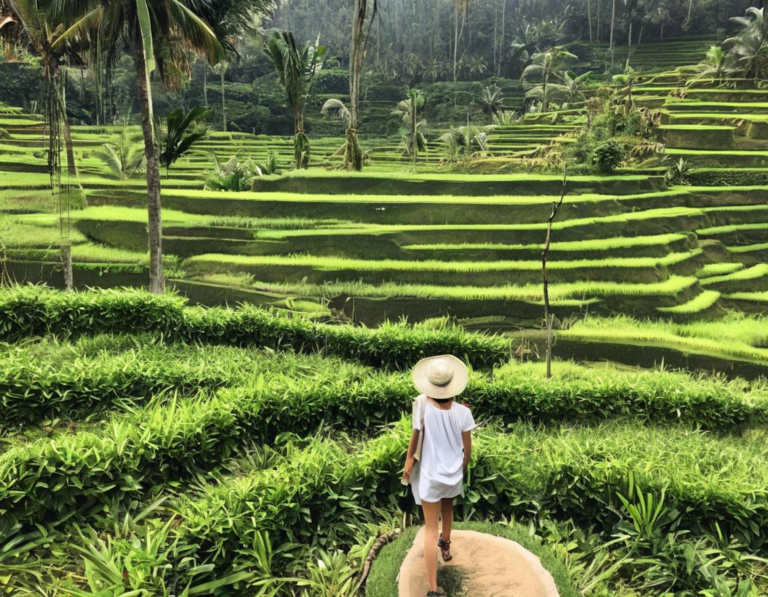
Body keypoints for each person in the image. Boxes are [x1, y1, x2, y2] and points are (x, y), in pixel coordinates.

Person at [401, 354, 476, 597]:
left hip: (430, 477)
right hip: (452, 475)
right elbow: (468, 451)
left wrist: (409, 460)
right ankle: (446, 546)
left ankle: (433, 591)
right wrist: (461, 468)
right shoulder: (463, 413)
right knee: (448, 508)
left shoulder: (422, 404)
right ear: (453, 385)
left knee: (429, 529)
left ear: (429, 384)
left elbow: (415, 436)